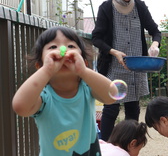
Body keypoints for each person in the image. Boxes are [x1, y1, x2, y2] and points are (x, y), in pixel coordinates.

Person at [12, 26, 117, 156]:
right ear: (40, 65)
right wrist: (47, 70)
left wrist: (83, 71)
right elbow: (20, 107)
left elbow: (112, 95)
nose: (63, 50)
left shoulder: (87, 88)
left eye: (71, 46)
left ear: (84, 62)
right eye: (52, 47)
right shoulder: (44, 97)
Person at [91, 0, 161, 141]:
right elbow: (96, 38)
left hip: (136, 67)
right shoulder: (106, 7)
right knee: (111, 109)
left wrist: (155, 45)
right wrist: (114, 52)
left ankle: (130, 145)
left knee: (133, 109)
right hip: (113, 67)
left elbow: (155, 31)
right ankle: (108, 147)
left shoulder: (140, 7)